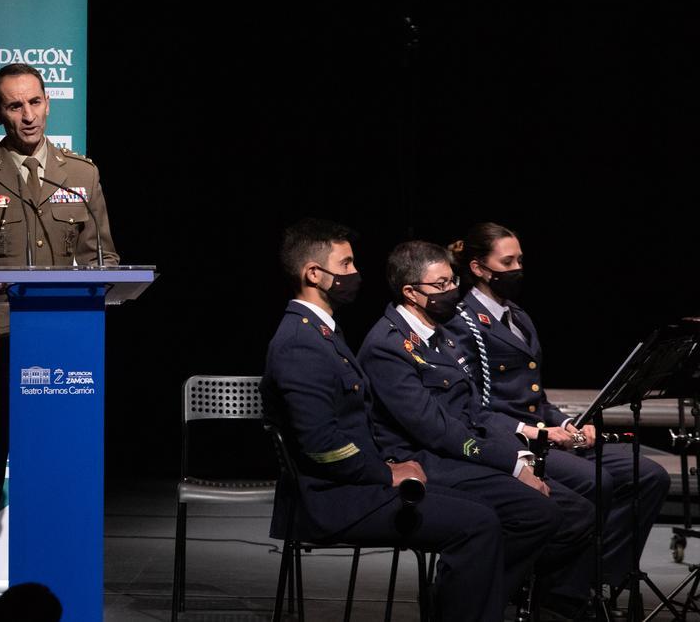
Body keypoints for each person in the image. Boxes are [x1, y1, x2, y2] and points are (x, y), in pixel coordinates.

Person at [0, 63, 119, 622]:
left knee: (60, 479)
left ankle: (55, 603)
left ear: (48, 103)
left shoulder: (80, 175)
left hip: (64, 355)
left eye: (35, 102)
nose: (28, 115)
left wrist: (103, 277)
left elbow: (103, 257)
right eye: (15, 106)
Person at [261, 219, 507, 622]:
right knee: (478, 524)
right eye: (346, 265)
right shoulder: (300, 343)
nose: (356, 273)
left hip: (352, 485)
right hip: (332, 500)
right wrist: (385, 473)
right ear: (313, 274)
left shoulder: (321, 332)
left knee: (485, 506)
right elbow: (323, 447)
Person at [358, 240, 594, 613]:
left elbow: (475, 413)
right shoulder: (387, 347)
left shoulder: (444, 336)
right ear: (410, 293)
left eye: (452, 281)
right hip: (424, 462)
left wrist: (518, 452)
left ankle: (494, 598)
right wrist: (511, 465)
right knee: (539, 513)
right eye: (440, 285)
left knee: (578, 512)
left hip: (463, 452)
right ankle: (464, 603)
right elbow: (435, 430)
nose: (452, 291)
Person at [444, 222, 669, 598]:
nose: (517, 268)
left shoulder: (517, 315)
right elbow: (473, 407)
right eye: (507, 261)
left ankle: (594, 578)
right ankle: (559, 589)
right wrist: (539, 433)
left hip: (546, 433)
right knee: (597, 481)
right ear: (480, 268)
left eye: (520, 259)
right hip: (510, 439)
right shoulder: (461, 321)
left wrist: (566, 422)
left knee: (648, 474)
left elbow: (535, 395)